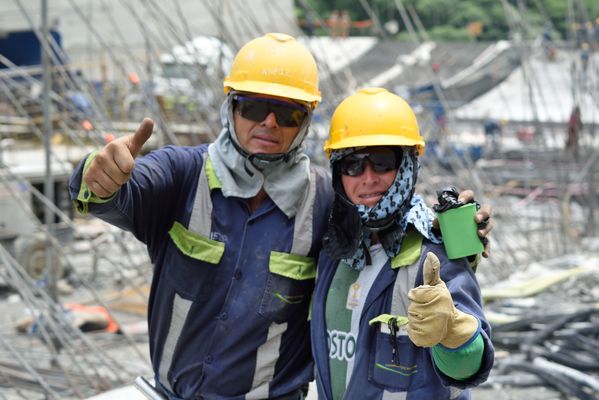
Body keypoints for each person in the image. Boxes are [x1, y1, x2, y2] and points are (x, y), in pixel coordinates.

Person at [69, 34, 492, 399]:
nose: (269, 122)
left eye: (287, 113)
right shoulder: (183, 177)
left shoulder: (325, 204)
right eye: (253, 107)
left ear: (305, 122)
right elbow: (116, 191)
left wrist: (456, 232)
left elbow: (391, 215)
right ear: (231, 106)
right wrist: (99, 178)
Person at [310, 88, 494, 399]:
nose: (368, 177)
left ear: (407, 166)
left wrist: (453, 334)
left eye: (382, 162)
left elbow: (469, 369)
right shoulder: (335, 250)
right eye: (352, 165)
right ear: (338, 173)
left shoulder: (435, 254)